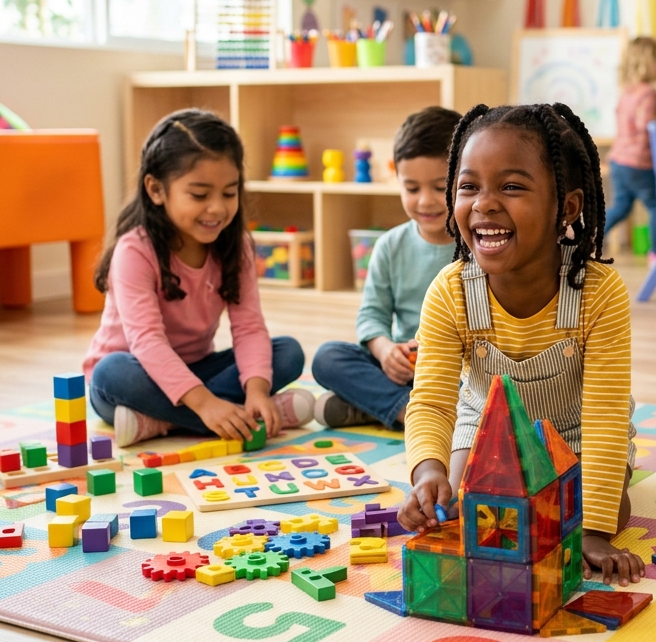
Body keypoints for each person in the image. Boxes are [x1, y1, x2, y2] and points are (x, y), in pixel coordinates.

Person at [396, 102, 644, 586]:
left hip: (574, 429)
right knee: (464, 503)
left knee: (610, 510)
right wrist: (427, 471)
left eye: (511, 186)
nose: (484, 203)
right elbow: (430, 401)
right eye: (469, 186)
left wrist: (593, 533)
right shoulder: (451, 291)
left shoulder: (599, 291)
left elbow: (606, 415)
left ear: (567, 207)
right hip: (484, 425)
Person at [86, 110, 313, 448]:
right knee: (110, 372)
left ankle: (161, 421)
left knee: (287, 353)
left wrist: (257, 390)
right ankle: (231, 417)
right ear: (156, 189)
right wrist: (206, 405)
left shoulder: (236, 248)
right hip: (135, 377)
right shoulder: (134, 251)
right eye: (199, 195)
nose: (217, 209)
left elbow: (249, 328)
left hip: (199, 371)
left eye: (229, 193)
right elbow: (147, 343)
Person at [311, 107, 460, 428]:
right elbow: (372, 315)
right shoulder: (390, 246)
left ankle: (376, 408)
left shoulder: (480, 246)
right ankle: (411, 412)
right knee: (328, 358)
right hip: (403, 372)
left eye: (439, 187)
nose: (425, 201)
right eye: (412, 188)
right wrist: (385, 350)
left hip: (459, 374)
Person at [604, 36, 656, 255]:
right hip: (639, 162)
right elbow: (646, 126)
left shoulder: (627, 91)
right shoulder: (649, 92)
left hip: (619, 159)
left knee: (620, 207)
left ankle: (590, 241)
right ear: (650, 63)